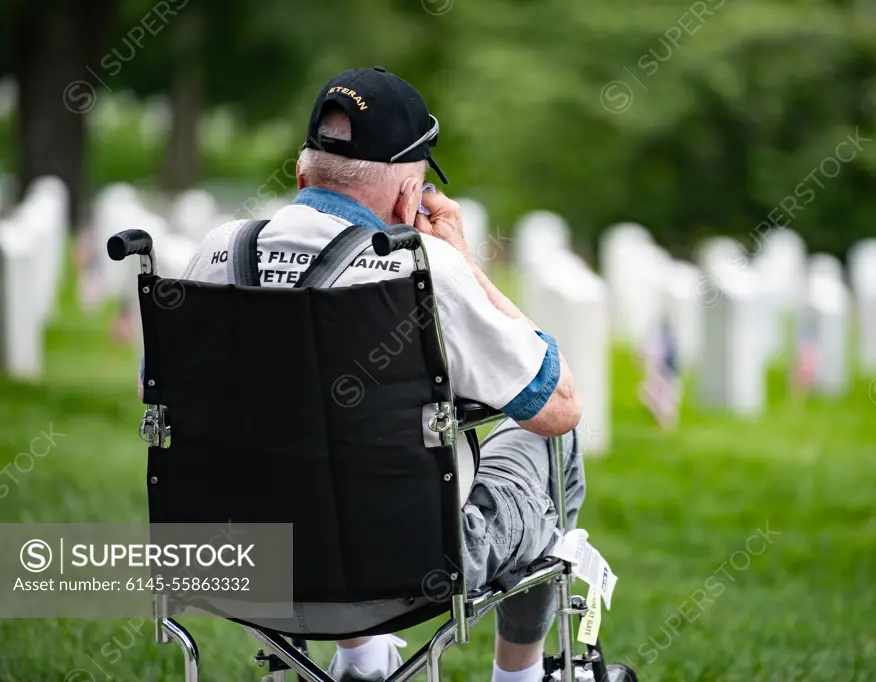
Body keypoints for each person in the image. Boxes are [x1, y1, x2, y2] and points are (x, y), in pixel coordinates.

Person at [164, 67, 586, 682]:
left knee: (305, 438)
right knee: (546, 439)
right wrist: (466, 261)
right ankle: (517, 676)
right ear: (406, 198)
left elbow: (165, 392)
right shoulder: (424, 267)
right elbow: (559, 402)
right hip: (413, 563)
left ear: (305, 174)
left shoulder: (217, 252)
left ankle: (362, 662)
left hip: (243, 552)